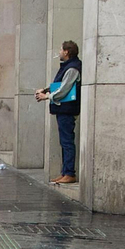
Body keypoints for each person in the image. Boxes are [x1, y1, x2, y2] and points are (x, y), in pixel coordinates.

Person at [36, 40, 81, 184]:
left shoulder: (73, 68)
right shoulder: (68, 66)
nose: (59, 52)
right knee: (64, 141)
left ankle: (69, 173)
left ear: (67, 52)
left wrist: (47, 96)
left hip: (67, 109)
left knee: (67, 142)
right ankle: (65, 172)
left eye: (61, 50)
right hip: (63, 109)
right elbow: (59, 84)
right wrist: (46, 89)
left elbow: (64, 89)